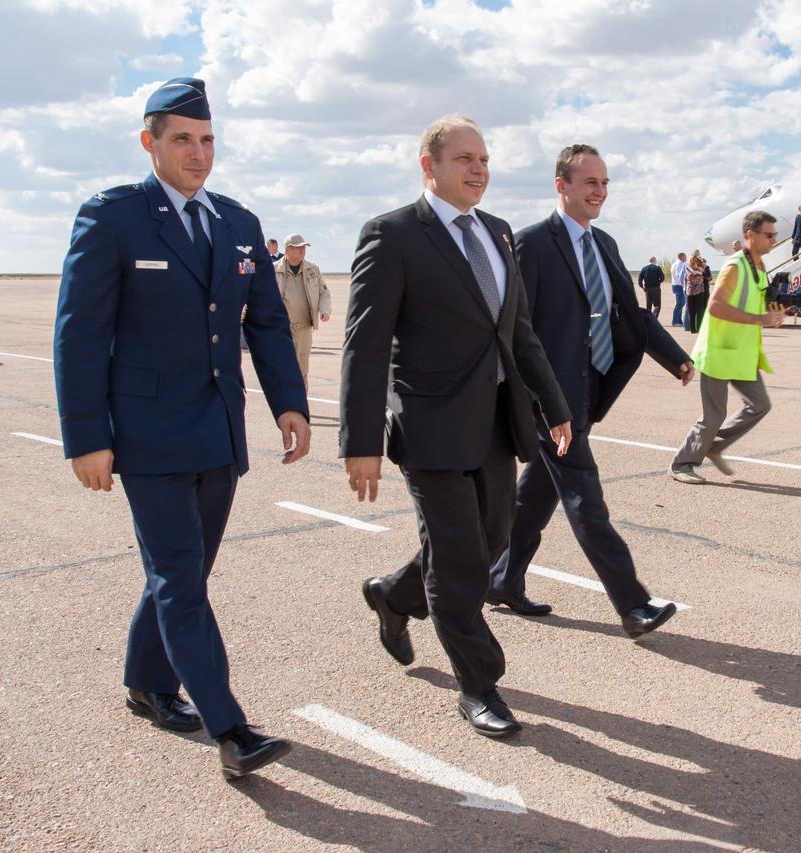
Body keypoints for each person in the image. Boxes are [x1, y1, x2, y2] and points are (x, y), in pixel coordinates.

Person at [52, 77, 311, 778]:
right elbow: (79, 335)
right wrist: (86, 435)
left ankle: (148, 680)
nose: (199, 154)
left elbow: (265, 321)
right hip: (145, 434)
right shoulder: (114, 218)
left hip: (217, 429)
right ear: (150, 143)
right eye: (182, 140)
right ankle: (231, 727)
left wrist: (290, 401)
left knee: (184, 573)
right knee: (179, 577)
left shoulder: (235, 222)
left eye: (207, 140)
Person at [341, 115, 572, 739]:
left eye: (485, 159)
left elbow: (516, 331)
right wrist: (360, 442)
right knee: (462, 562)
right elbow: (365, 346)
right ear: (430, 166)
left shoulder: (497, 233)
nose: (479, 169)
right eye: (465, 158)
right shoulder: (392, 235)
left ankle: (394, 595)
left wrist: (555, 407)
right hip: (430, 426)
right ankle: (479, 683)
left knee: (491, 541)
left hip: (496, 423)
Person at [487, 144, 694, 636]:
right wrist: (528, 394)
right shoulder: (532, 244)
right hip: (548, 396)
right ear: (561, 185)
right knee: (585, 497)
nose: (599, 192)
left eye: (603, 183)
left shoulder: (604, 243)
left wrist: (673, 356)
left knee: (535, 495)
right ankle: (633, 603)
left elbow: (630, 312)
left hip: (588, 389)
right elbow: (516, 324)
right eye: (589, 183)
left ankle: (500, 579)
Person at [670, 212, 785, 483]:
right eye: (769, 235)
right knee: (714, 415)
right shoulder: (735, 266)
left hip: (742, 353)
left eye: (774, 235)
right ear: (750, 236)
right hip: (719, 352)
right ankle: (682, 464)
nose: (773, 240)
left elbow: (750, 303)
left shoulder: (759, 267)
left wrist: (772, 315)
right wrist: (759, 319)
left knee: (759, 405)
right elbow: (716, 306)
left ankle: (713, 445)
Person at [274, 233, 331, 388]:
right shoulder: (273, 270)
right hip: (283, 327)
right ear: (287, 249)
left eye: (303, 248)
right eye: (298, 248)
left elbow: (324, 292)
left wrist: (324, 310)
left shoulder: (312, 269)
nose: (302, 251)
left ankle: (301, 405)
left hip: (304, 327)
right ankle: (287, 404)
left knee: (303, 367)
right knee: (286, 366)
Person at [685, 250, 709, 333]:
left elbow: (706, 274)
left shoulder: (702, 264)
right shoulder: (687, 266)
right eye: (694, 256)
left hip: (698, 290)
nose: (696, 257)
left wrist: (699, 270)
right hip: (691, 290)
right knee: (692, 310)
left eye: (697, 256)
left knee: (699, 310)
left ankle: (698, 328)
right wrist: (698, 272)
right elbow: (690, 275)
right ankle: (693, 329)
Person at [670, 252, 688, 327]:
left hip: (676, 285)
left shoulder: (676, 263)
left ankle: (679, 321)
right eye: (685, 256)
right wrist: (685, 283)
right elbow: (679, 275)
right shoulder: (680, 264)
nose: (686, 258)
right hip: (679, 286)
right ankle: (675, 321)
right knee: (680, 303)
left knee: (681, 303)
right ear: (682, 257)